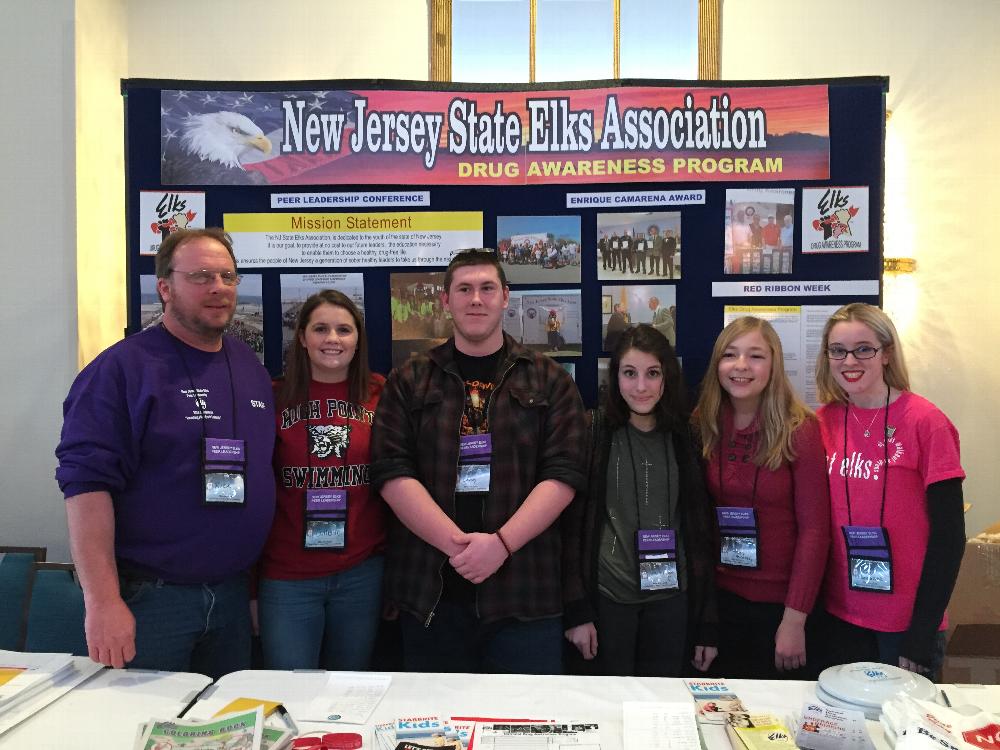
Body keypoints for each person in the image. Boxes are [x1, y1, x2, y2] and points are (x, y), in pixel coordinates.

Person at [55, 228, 276, 678]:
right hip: (152, 601)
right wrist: (103, 601)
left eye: (227, 276)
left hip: (231, 597)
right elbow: (85, 487)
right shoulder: (121, 370)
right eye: (199, 276)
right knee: (141, 730)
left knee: (221, 734)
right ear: (164, 288)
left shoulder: (248, 365)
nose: (217, 287)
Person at [371, 248, 587, 674]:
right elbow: (391, 470)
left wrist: (500, 545)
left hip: (525, 597)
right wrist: (461, 549)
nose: (476, 299)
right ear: (445, 301)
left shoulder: (551, 380)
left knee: (528, 732)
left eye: (487, 288)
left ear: (506, 297)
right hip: (432, 596)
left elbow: (564, 473)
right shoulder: (408, 380)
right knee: (432, 734)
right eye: (464, 289)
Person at [812, 303, 965, 675]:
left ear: (886, 354)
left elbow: (949, 537)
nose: (850, 360)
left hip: (905, 626)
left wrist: (921, 633)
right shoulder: (822, 422)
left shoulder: (926, 422)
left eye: (864, 348)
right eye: (838, 350)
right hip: (839, 618)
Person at [563, 325, 718, 676]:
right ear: (615, 377)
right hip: (608, 596)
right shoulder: (593, 432)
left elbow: (701, 530)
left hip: (672, 599)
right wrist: (577, 610)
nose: (641, 387)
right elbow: (571, 528)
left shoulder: (687, 437)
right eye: (629, 373)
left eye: (652, 374)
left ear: (667, 376)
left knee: (661, 706)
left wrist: (706, 623)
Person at [693, 317, 830, 679]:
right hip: (720, 603)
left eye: (755, 356)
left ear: (774, 365)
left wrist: (794, 619)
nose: (740, 366)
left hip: (781, 607)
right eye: (730, 355)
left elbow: (815, 531)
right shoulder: (703, 425)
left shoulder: (800, 430)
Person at [257, 290, 386, 670]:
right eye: (321, 329)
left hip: (362, 573)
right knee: (290, 693)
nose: (333, 339)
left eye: (344, 330)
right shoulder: (273, 397)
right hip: (287, 576)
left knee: (350, 695)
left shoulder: (382, 394)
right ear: (302, 336)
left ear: (358, 338)